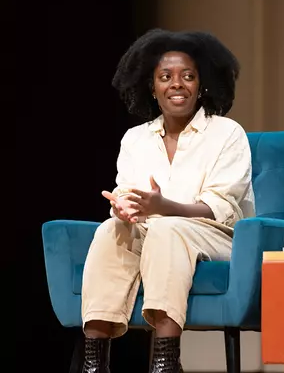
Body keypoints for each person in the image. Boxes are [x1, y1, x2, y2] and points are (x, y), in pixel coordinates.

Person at [80, 28, 255, 373]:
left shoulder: (227, 133)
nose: (177, 84)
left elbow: (220, 206)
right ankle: (94, 361)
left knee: (167, 230)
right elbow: (130, 195)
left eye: (188, 76)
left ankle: (165, 361)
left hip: (216, 235)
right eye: (166, 77)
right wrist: (124, 208)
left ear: (201, 86)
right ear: (152, 87)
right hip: (156, 232)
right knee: (108, 231)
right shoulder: (135, 138)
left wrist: (164, 208)